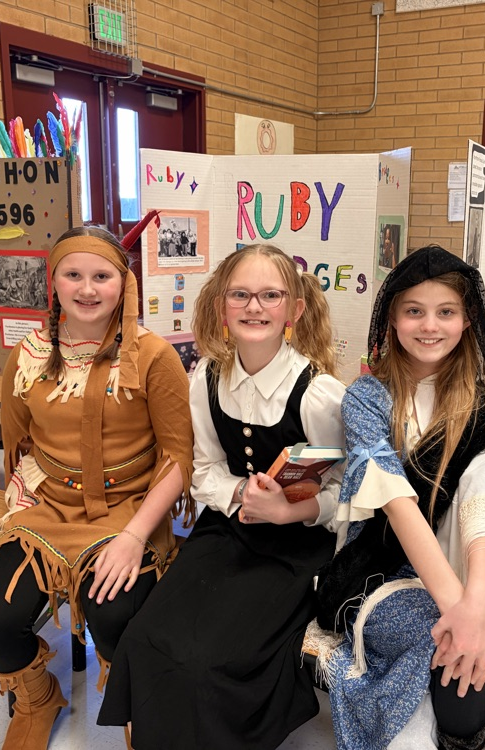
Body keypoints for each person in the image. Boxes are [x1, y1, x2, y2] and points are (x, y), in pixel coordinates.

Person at [99, 243, 347, 749]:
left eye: (270, 295)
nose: (254, 307)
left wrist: (289, 509)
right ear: (222, 307)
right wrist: (240, 495)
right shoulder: (207, 378)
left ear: (294, 310)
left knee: (211, 662)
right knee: (149, 637)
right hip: (226, 534)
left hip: (297, 549)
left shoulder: (320, 396)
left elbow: (351, 496)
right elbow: (204, 469)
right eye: (240, 295)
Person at [0, 226, 194, 750]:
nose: (87, 289)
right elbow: (19, 440)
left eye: (102, 276)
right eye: (74, 275)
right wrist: (22, 492)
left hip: (129, 508)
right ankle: (37, 697)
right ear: (55, 283)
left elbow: (178, 458)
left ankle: (136, 705)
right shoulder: (28, 353)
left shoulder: (152, 356)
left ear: (125, 284)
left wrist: (138, 535)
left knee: (115, 615)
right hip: (49, 507)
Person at [314, 246, 485, 750]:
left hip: (462, 576)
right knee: (445, 650)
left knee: (458, 657)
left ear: (467, 320)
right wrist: (458, 611)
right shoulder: (367, 399)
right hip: (374, 572)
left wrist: (478, 601)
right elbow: (395, 500)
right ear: (392, 318)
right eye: (413, 310)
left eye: (446, 312)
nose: (429, 326)